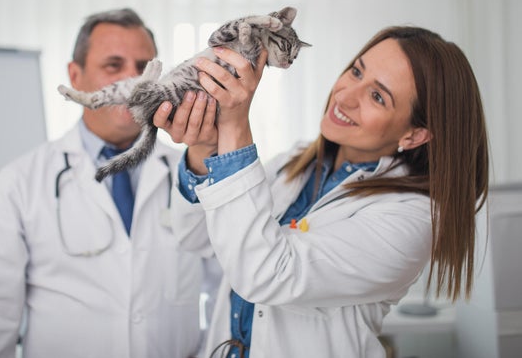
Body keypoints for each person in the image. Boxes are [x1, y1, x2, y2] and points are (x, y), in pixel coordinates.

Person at [153, 25, 489, 357]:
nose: (345, 96)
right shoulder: (295, 164)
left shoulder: (410, 220)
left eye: (377, 96)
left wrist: (234, 127)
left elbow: (266, 274)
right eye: (356, 71)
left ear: (415, 135)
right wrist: (204, 148)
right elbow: (196, 237)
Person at [0, 8, 216, 358]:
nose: (134, 80)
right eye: (113, 66)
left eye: (143, 67)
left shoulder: (194, 171)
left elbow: (225, 290)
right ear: (75, 76)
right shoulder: (21, 181)